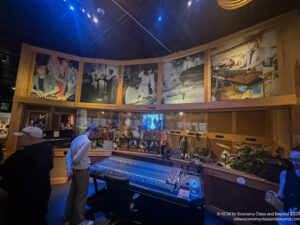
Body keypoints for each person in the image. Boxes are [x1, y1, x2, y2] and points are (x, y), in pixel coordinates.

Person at [0, 126, 53, 225]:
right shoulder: (46, 153)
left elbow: (6, 179)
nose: (19, 139)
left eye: (21, 136)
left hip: (20, 206)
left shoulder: (21, 157)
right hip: (39, 203)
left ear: (29, 136)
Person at [64, 125, 99, 225]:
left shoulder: (77, 139)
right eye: (95, 133)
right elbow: (77, 158)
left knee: (72, 195)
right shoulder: (87, 141)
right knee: (81, 197)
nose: (95, 135)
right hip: (82, 171)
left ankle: (68, 218)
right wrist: (86, 163)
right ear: (91, 131)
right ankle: (79, 221)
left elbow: (69, 156)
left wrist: (70, 170)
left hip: (75, 171)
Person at [277, 146, 300, 225]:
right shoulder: (284, 174)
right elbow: (281, 195)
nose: (293, 162)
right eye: (291, 159)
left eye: (297, 160)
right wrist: (274, 197)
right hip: (285, 219)